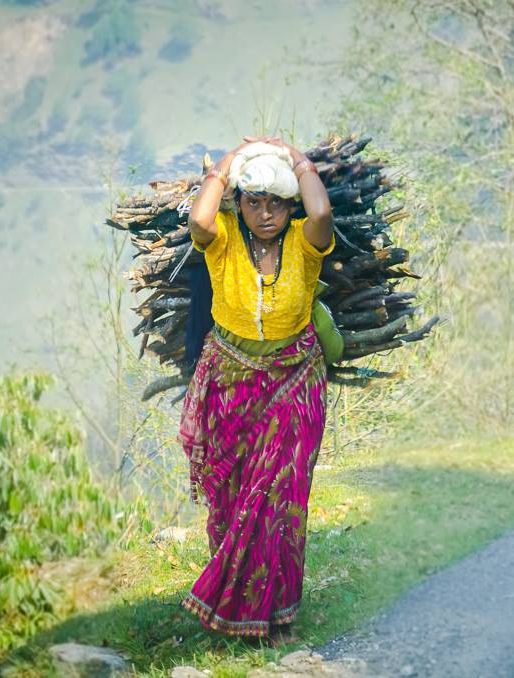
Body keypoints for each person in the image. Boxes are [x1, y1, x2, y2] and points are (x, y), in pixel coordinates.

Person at [177, 134, 335, 645]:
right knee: (233, 497)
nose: (265, 214)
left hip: (295, 381)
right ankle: (236, 605)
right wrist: (227, 166)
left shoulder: (304, 245)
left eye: (276, 203)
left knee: (281, 498)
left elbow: (323, 214)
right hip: (231, 382)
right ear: (239, 204)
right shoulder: (221, 238)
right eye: (254, 202)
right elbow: (199, 220)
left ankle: (277, 615)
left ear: (290, 206)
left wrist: (298, 159)